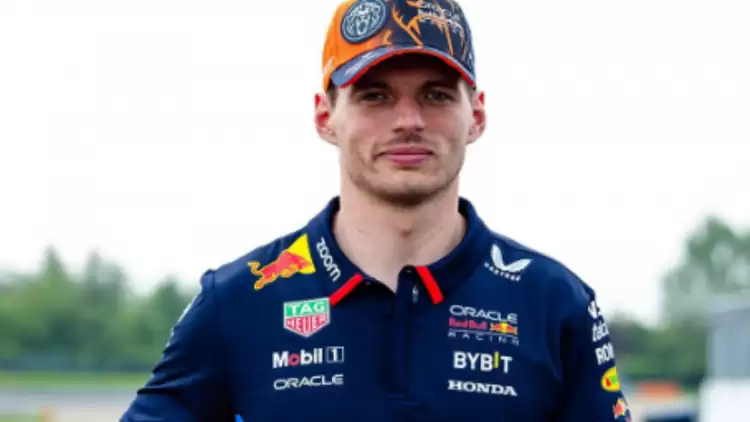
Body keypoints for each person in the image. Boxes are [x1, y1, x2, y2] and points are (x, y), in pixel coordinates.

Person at [121, 0, 633, 421]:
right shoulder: (238, 301)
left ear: (476, 115)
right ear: (326, 117)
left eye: (436, 94)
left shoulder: (554, 303)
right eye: (374, 96)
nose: (408, 120)